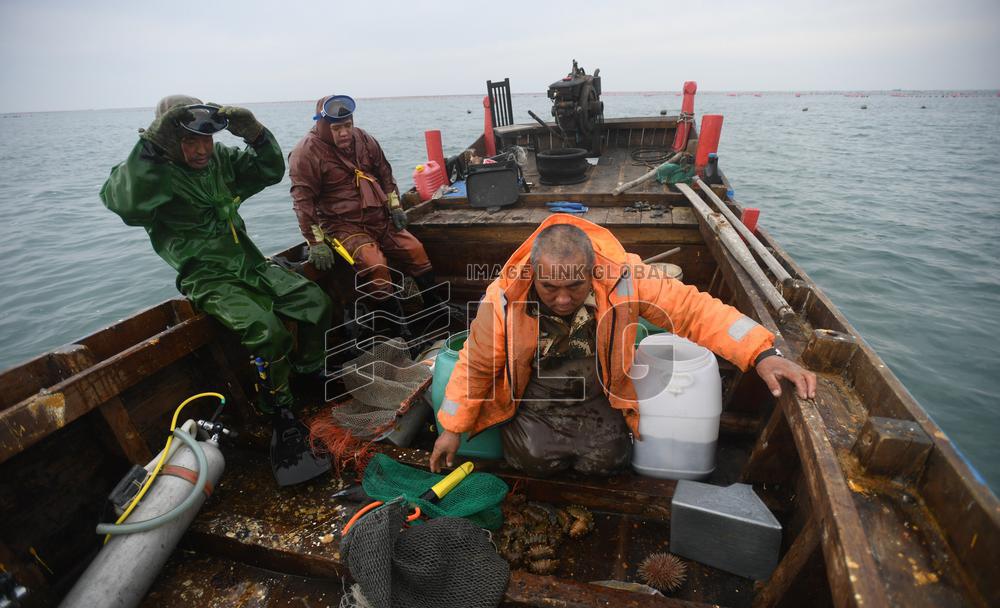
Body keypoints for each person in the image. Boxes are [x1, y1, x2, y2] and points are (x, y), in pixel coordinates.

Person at [429, 215, 816, 475]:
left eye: (575, 287)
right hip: (536, 398)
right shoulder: (503, 296)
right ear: (533, 273)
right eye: (550, 288)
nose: (563, 300)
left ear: (592, 270)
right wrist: (451, 428)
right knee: (529, 461)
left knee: (609, 462)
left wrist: (761, 352)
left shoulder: (625, 276)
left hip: (598, 391)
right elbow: (476, 364)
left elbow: (692, 309)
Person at [100, 95, 333, 476]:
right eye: (190, 141)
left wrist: (256, 134)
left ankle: (308, 372)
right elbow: (126, 203)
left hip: (250, 263)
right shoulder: (148, 174)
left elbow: (270, 170)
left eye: (206, 140)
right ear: (167, 141)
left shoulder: (219, 160)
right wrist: (150, 147)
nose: (201, 150)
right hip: (206, 276)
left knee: (315, 301)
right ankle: (278, 409)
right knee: (267, 331)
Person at [289, 94, 443, 343]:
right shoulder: (305, 152)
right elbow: (302, 201)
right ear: (321, 125)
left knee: (415, 250)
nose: (344, 133)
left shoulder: (364, 139)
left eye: (347, 126)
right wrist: (315, 242)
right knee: (375, 264)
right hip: (342, 225)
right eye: (336, 128)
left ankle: (435, 311)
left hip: (378, 216)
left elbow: (385, 172)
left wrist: (395, 206)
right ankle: (398, 331)